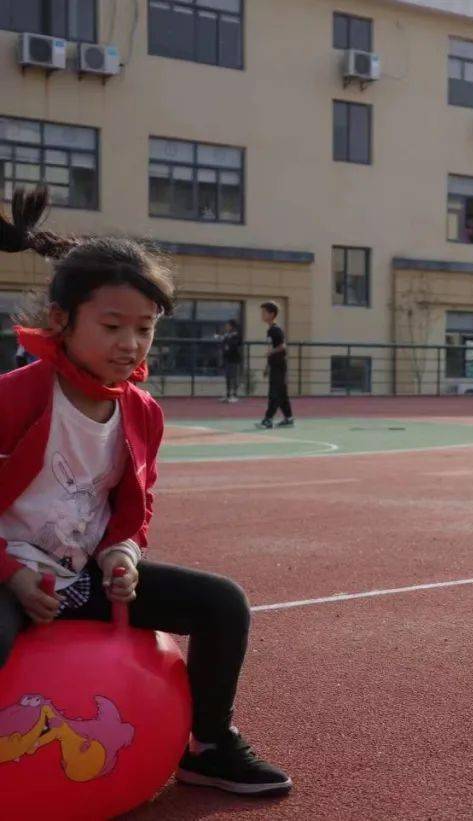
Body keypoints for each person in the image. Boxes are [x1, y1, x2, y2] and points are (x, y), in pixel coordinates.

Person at [0, 187, 291, 796]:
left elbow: (134, 505)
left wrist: (122, 555)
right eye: (111, 326)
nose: (130, 344)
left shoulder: (142, 411)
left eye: (145, 329)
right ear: (61, 320)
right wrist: (10, 574)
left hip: (78, 580)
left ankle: (209, 746)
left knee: (221, 604)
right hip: (11, 578)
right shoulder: (16, 399)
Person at [258, 302, 293, 429]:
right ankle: (289, 418)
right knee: (282, 393)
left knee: (274, 393)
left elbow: (283, 346)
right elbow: (272, 349)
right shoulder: (270, 330)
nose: (262, 315)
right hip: (274, 365)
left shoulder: (275, 330)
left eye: (264, 312)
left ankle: (268, 419)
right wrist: (267, 366)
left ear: (272, 314)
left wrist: (271, 352)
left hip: (279, 365)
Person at [219, 319, 242, 404]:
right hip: (227, 358)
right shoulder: (227, 334)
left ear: (231, 326)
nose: (226, 327)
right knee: (228, 377)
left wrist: (227, 347)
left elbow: (235, 344)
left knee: (233, 377)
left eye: (227, 325)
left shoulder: (236, 334)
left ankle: (234, 395)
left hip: (234, 358)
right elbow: (223, 343)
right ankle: (228, 395)